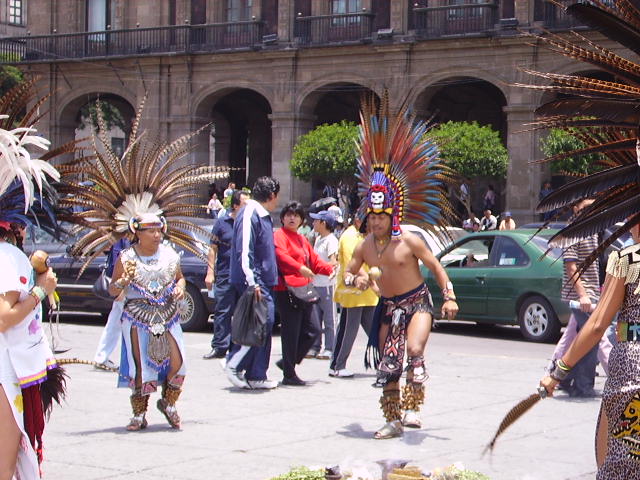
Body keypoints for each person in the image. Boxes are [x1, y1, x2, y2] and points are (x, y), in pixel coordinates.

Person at [348, 94, 459, 439]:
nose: (375, 223)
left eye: (380, 217)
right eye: (371, 217)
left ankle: (413, 409)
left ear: (391, 215)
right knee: (389, 364)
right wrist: (361, 279)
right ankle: (392, 419)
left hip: (417, 302)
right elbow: (349, 274)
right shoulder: (364, 245)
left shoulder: (409, 240)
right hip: (388, 307)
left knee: (414, 351)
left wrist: (449, 295)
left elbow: (435, 266)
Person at [541, 221, 640, 478]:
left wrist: (558, 372)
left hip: (633, 369)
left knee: (620, 463)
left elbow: (597, 325)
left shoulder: (627, 260)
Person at [109, 214, 187, 431]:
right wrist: (122, 282)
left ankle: (169, 403)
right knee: (141, 366)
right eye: (150, 231)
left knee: (178, 363)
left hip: (168, 314)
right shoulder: (126, 258)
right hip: (138, 316)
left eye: (158, 230)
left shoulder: (170, 255)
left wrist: (180, 287)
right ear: (137, 233)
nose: (156, 235)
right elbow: (112, 290)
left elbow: (180, 277)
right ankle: (139, 413)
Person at [225, 176, 280, 390]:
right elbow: (244, 250)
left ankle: (256, 374)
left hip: (263, 279)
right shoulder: (251, 213)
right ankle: (235, 363)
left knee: (262, 323)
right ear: (272, 195)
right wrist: (253, 281)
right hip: (255, 280)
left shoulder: (261, 215)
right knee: (261, 322)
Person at [273, 201, 333, 385]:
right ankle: (289, 374)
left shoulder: (302, 239)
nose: (292, 218)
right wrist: (299, 268)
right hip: (287, 290)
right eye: (289, 214)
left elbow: (314, 261)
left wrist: (330, 269)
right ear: (283, 218)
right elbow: (280, 256)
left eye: (296, 215)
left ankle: (287, 363)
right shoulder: (279, 236)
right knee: (291, 332)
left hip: (304, 290)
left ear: (301, 220)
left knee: (313, 330)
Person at [555, 199, 600, 397]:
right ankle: (583, 386)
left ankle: (562, 378)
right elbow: (570, 266)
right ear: (575, 208)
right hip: (582, 296)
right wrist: (583, 295)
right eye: (586, 207)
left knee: (581, 339)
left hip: (592, 294)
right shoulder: (573, 230)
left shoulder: (592, 229)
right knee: (590, 341)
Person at [330, 213, 379, 378]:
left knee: (373, 329)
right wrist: (373, 283)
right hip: (353, 290)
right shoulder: (350, 236)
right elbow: (354, 263)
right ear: (358, 219)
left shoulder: (364, 236)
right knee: (349, 329)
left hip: (366, 293)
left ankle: (385, 363)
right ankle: (339, 365)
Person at [203, 190, 250, 360]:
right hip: (225, 274)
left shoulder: (250, 223)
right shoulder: (222, 223)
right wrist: (210, 272)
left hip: (245, 276)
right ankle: (220, 346)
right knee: (222, 311)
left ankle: (237, 347)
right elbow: (213, 248)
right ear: (235, 205)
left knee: (241, 312)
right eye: (245, 204)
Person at [93, 237, 131, 369]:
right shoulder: (125, 238)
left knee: (115, 322)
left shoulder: (123, 236)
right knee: (125, 323)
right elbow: (118, 261)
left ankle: (101, 357)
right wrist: (120, 288)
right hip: (126, 286)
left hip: (127, 286)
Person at [309, 210, 339, 360]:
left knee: (329, 319)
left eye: (316, 221)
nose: (313, 223)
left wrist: (318, 268)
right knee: (315, 318)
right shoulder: (318, 239)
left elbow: (334, 261)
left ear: (324, 223)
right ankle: (315, 347)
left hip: (327, 284)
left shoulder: (331, 240)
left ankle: (330, 347)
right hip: (315, 283)